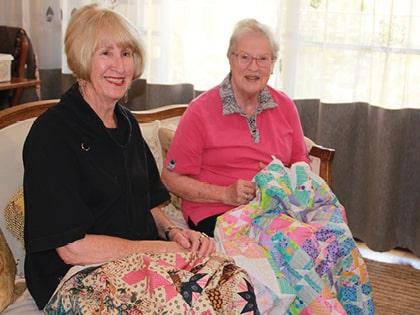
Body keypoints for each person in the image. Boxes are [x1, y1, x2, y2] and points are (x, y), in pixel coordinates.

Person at [23, 3, 215, 310]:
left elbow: (146, 202)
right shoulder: (52, 134)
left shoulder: (127, 123)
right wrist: (160, 251)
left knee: (232, 282)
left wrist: (174, 233)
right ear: (83, 59)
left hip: (137, 263)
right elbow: (72, 249)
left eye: (126, 53)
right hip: (74, 277)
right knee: (187, 306)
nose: (120, 65)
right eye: (105, 53)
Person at [161, 18, 310, 237]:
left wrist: (281, 179)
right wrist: (225, 194)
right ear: (230, 58)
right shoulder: (200, 111)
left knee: (329, 237)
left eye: (262, 59)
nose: (253, 67)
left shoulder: (285, 106)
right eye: (245, 57)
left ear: (273, 63)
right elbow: (170, 178)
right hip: (216, 211)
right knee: (283, 244)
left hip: (275, 209)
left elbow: (301, 164)